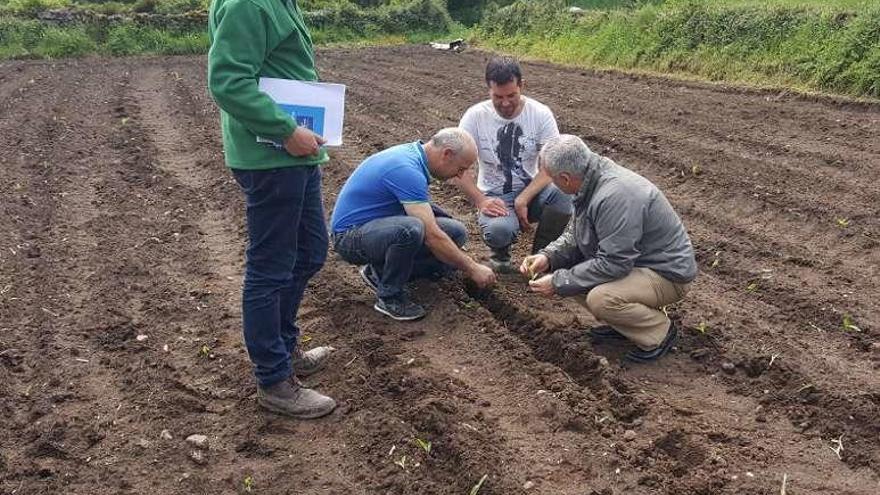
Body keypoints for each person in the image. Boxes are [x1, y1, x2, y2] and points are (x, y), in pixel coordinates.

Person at [208, 0, 335, 418]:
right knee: (271, 266)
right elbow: (228, 82)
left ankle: (284, 347)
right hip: (272, 157)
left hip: (295, 155)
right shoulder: (248, 3)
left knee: (311, 251)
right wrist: (285, 130)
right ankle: (274, 379)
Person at [521, 135, 698, 362]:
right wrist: (548, 256)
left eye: (552, 179)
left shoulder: (615, 195)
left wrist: (557, 281)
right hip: (636, 265)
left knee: (600, 298)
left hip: (666, 274)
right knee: (572, 274)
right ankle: (626, 326)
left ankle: (658, 332)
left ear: (565, 178)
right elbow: (575, 234)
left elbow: (615, 263)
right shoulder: (589, 181)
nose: (552, 184)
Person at [332, 128, 497, 320]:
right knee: (410, 230)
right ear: (447, 154)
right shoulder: (406, 169)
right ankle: (390, 297)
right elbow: (431, 235)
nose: (460, 176)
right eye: (461, 169)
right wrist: (471, 267)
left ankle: (380, 272)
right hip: (350, 238)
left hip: (376, 228)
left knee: (455, 231)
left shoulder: (414, 158)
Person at [456, 56, 573, 273]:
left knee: (563, 194)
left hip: (533, 191)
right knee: (499, 231)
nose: (506, 103)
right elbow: (456, 167)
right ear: (488, 90)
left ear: (521, 86)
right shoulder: (475, 117)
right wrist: (481, 200)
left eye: (512, 95)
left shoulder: (539, 114)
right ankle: (500, 253)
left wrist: (523, 198)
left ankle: (541, 257)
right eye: (498, 97)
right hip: (494, 195)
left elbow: (552, 164)